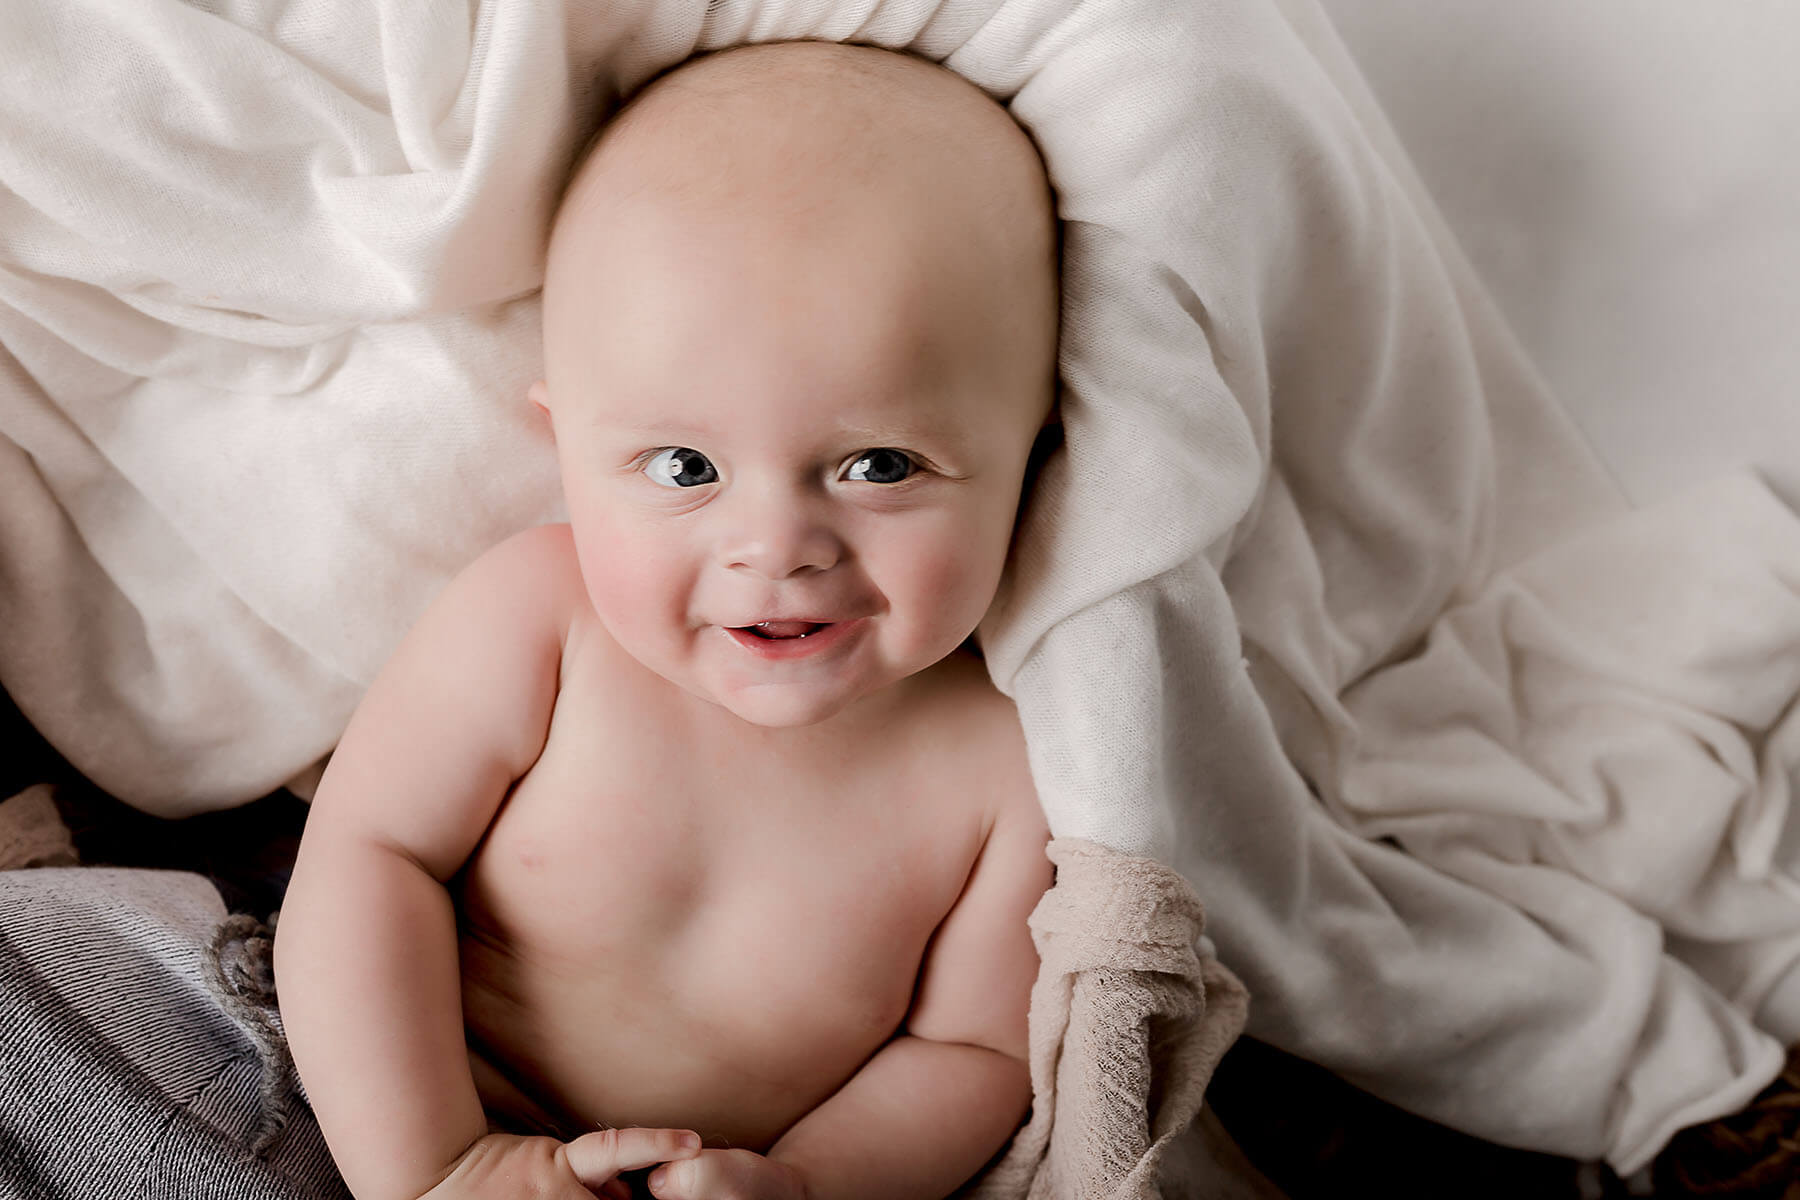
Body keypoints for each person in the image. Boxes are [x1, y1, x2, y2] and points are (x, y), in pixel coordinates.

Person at [272, 37, 1063, 1200]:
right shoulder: (543, 617)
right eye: (685, 465)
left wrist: (804, 1184)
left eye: (879, 462)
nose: (776, 545)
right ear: (568, 449)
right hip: (336, 1099)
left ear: (1034, 457)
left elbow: (972, 1053)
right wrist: (439, 1167)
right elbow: (362, 862)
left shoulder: (1010, 760)